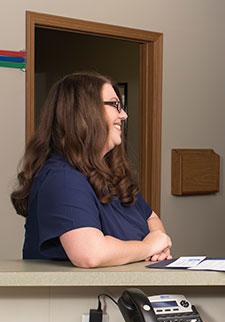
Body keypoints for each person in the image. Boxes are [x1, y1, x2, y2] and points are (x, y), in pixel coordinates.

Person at [10, 72, 172, 267]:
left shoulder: (111, 176)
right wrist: (148, 247)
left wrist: (157, 241)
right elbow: (89, 254)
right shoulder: (62, 178)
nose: (124, 115)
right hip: (76, 297)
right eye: (115, 105)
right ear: (85, 111)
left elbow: (151, 218)